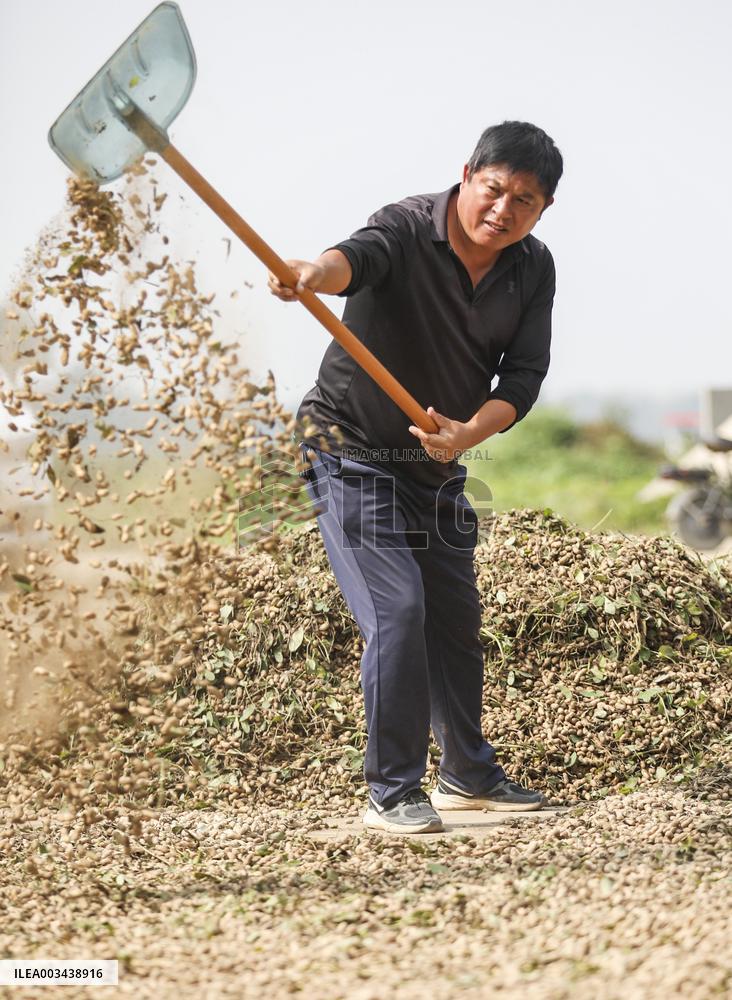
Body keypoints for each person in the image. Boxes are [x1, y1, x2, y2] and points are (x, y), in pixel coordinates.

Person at [268, 120, 563, 835]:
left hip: (432, 463)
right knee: (397, 610)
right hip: (347, 447)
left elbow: (522, 376)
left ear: (543, 209)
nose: (504, 209)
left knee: (454, 620)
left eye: (524, 200)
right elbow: (353, 262)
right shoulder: (405, 227)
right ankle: (392, 790)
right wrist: (313, 274)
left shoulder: (532, 268)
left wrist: (467, 434)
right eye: (494, 189)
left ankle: (467, 773)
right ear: (467, 176)